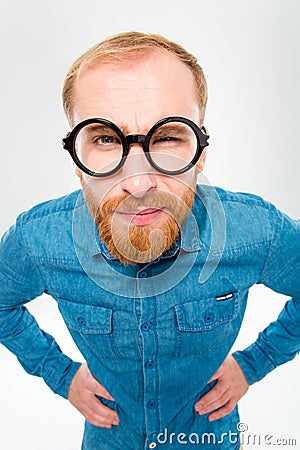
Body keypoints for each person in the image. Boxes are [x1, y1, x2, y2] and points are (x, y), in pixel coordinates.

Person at [0, 31, 299, 450]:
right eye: (105, 139)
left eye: (167, 137)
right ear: (76, 161)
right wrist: (59, 374)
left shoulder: (255, 231)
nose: (139, 182)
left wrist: (255, 363)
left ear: (201, 151)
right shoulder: (37, 240)